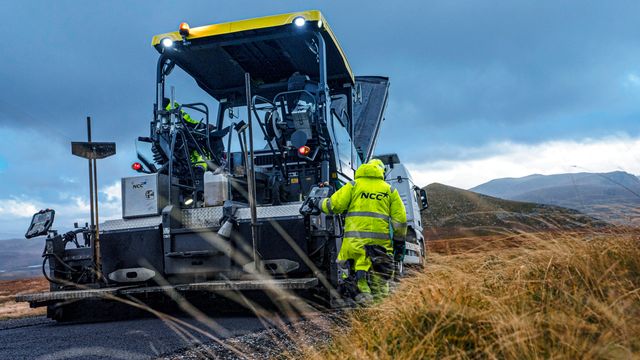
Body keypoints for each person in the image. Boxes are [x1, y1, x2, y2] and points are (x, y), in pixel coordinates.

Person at [314, 159, 407, 302]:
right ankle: (382, 312)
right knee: (381, 282)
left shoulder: (353, 186)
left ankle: (363, 306)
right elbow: (400, 221)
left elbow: (333, 206)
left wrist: (318, 202)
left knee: (356, 278)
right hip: (380, 246)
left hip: (354, 244)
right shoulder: (390, 190)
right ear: (381, 172)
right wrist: (399, 242)